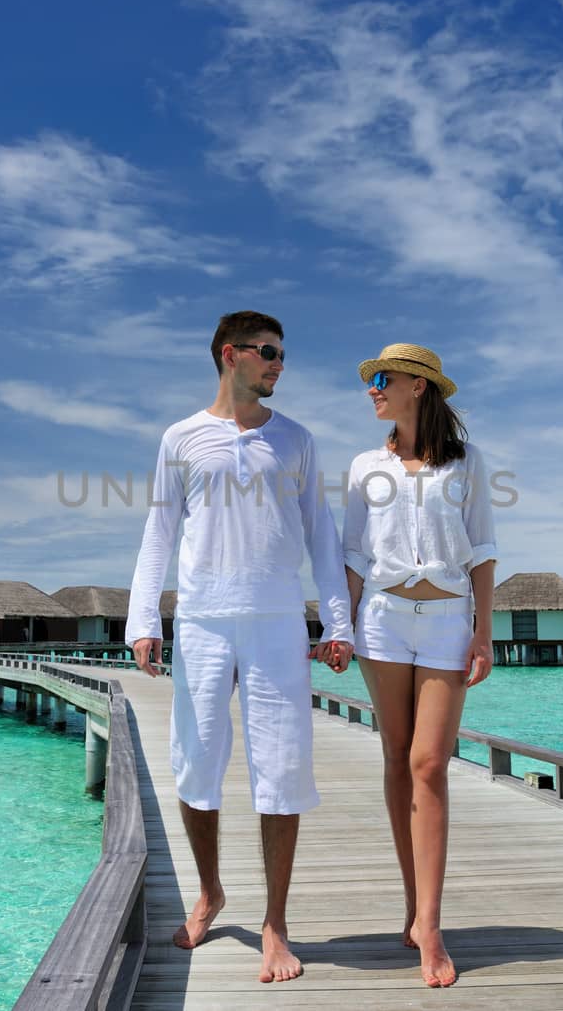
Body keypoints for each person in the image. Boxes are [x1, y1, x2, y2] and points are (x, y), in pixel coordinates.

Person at [126, 311, 354, 984]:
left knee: (281, 770)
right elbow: (158, 533)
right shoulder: (181, 438)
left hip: (279, 620)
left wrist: (337, 623)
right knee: (196, 764)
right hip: (201, 621)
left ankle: (275, 922)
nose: (280, 363)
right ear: (232, 355)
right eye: (269, 352)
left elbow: (323, 536)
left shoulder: (298, 441)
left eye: (284, 353)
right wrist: (145, 619)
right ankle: (210, 891)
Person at [342, 342, 497, 989]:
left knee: (429, 764)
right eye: (372, 378)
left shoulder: (466, 463)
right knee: (397, 757)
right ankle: (412, 906)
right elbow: (352, 553)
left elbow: (484, 548)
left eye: (383, 379)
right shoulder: (362, 466)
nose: (372, 388)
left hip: (445, 621)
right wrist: (339, 629)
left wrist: (484, 632)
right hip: (380, 621)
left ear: (419, 387)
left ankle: (431, 925)